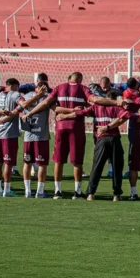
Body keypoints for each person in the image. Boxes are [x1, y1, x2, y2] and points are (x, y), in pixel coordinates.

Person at [44, 71, 93, 200]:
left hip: (60, 127)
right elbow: (91, 103)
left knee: (58, 160)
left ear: (69, 78)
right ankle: (77, 192)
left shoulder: (59, 87)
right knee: (77, 161)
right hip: (76, 127)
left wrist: (64, 111)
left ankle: (57, 192)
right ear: (80, 80)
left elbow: (49, 104)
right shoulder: (83, 88)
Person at [83, 94, 130, 201]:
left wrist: (67, 114)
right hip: (114, 139)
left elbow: (83, 112)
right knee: (117, 167)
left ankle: (91, 193)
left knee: (97, 166)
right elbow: (125, 115)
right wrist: (109, 127)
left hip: (101, 139)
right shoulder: (117, 107)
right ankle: (117, 194)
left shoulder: (96, 106)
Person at [0, 78, 25, 197]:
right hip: (10, 135)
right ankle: (7, 190)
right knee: (8, 164)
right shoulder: (15, 95)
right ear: (14, 86)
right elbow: (23, 104)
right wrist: (16, 111)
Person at [19, 74, 52, 198]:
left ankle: (28, 191)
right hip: (41, 136)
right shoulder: (47, 98)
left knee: (27, 163)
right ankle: (39, 191)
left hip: (29, 136)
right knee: (42, 164)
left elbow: (23, 106)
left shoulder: (27, 96)